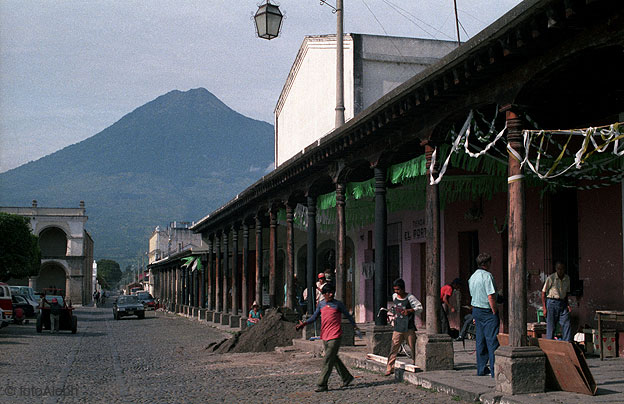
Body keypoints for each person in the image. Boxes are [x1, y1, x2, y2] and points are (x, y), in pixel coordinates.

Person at [296, 283, 359, 392]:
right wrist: (304, 324)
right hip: (325, 335)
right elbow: (314, 317)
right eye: (328, 293)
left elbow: (348, 316)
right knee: (333, 358)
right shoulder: (321, 305)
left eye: (332, 292)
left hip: (335, 335)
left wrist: (355, 326)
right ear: (323, 294)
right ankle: (347, 377)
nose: (330, 294)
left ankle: (322, 384)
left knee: (327, 359)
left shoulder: (338, 304)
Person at [468, 252, 499, 378]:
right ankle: (493, 368)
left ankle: (481, 368)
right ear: (486, 264)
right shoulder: (487, 276)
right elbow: (490, 295)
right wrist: (495, 310)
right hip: (487, 310)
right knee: (492, 340)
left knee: (480, 340)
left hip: (476, 309)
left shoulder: (472, 277)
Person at [385, 278, 423, 376]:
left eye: (398, 290)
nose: (397, 292)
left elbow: (419, 307)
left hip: (408, 327)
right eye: (395, 290)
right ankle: (390, 367)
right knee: (394, 348)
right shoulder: (394, 296)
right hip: (398, 326)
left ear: (403, 289)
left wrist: (410, 311)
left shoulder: (410, 297)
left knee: (412, 347)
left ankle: (416, 363)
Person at [541, 261, 572, 342]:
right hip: (552, 302)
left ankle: (567, 343)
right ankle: (550, 344)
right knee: (551, 326)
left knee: (566, 323)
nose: (560, 271)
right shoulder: (551, 278)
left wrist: (568, 304)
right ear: (556, 269)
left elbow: (566, 293)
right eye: (558, 269)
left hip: (562, 302)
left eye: (562, 269)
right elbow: (543, 293)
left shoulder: (567, 278)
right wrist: (544, 308)